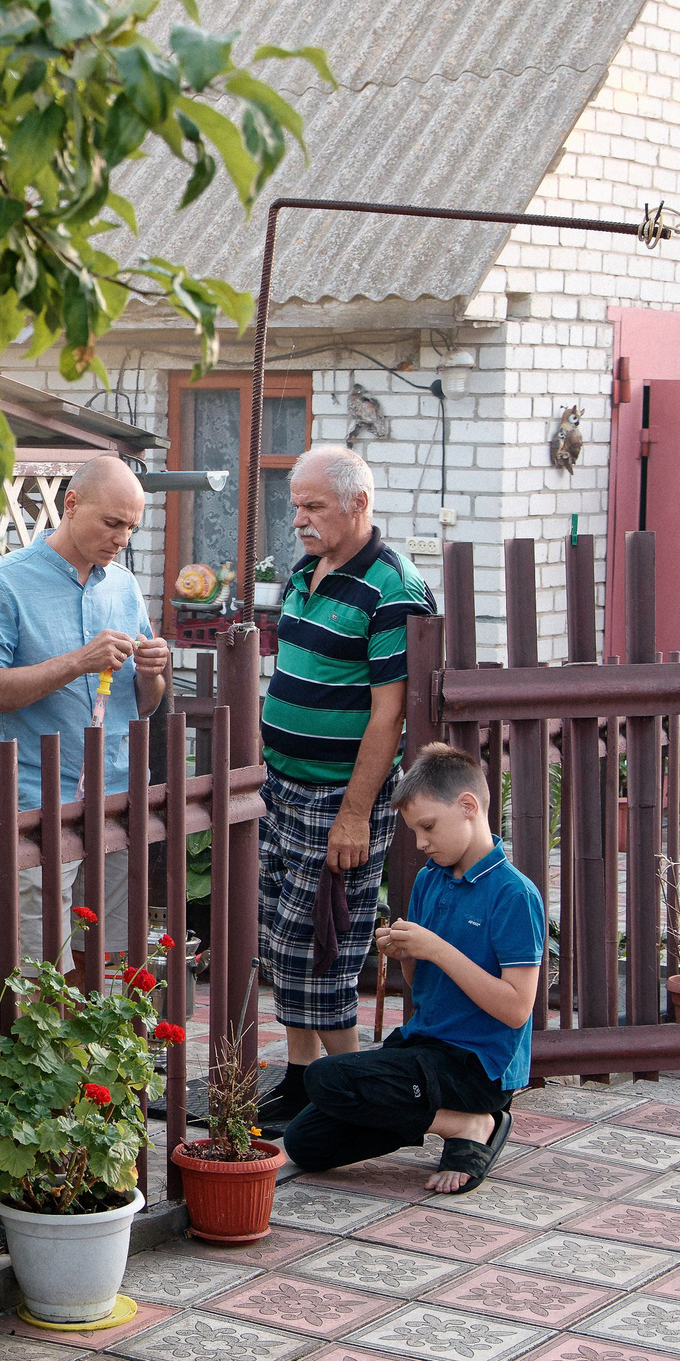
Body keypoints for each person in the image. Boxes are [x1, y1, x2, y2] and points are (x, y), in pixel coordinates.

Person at [254, 444, 436, 1137]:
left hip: (337, 801)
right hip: (284, 789)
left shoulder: (393, 589)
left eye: (313, 506)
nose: (297, 518)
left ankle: (356, 1097)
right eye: (294, 504)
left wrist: (356, 814)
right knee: (286, 941)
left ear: (358, 504)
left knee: (326, 944)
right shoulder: (310, 568)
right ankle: (304, 1082)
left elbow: (389, 714)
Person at [281, 743, 542, 1193]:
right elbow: (423, 988)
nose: (421, 842)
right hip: (425, 1047)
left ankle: (471, 1123)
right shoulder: (429, 879)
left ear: (468, 807)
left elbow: (517, 1009)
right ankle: (450, 1122)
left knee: (325, 1076)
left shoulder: (514, 894)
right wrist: (408, 955)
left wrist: (437, 949)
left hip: (479, 1068)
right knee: (305, 1142)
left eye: (428, 827)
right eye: (415, 831)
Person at [0, 454, 170, 965]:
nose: (121, 539)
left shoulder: (123, 585)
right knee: (39, 966)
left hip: (118, 795)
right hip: (38, 800)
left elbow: (142, 706)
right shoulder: (1, 581)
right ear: (71, 505)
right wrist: (77, 662)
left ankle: (102, 1050)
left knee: (109, 961)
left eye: (132, 528)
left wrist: (153, 673)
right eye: (112, 523)